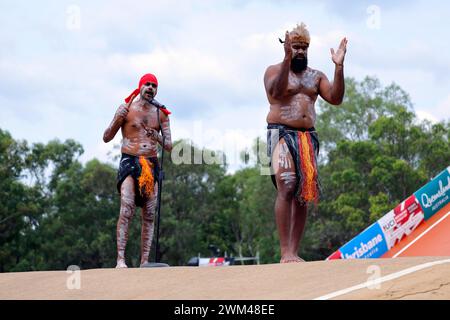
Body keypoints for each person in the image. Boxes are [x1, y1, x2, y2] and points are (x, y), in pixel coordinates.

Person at [264, 23, 347, 263]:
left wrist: (338, 67)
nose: (300, 51)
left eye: (303, 48)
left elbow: (336, 98)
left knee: (303, 192)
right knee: (287, 185)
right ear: (288, 47)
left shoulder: (316, 76)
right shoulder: (273, 71)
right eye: (296, 47)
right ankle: (284, 253)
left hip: (307, 137)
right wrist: (286, 60)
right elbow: (276, 93)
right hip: (279, 132)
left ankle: (294, 251)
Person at [103, 73, 173, 268]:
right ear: (140, 87)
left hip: (151, 163)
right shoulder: (126, 109)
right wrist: (118, 119)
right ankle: (120, 260)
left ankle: (144, 261)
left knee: (149, 214)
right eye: (147, 84)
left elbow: (169, 146)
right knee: (126, 209)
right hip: (129, 160)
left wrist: (157, 136)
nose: (150, 88)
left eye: (154, 85)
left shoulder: (161, 113)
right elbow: (106, 137)